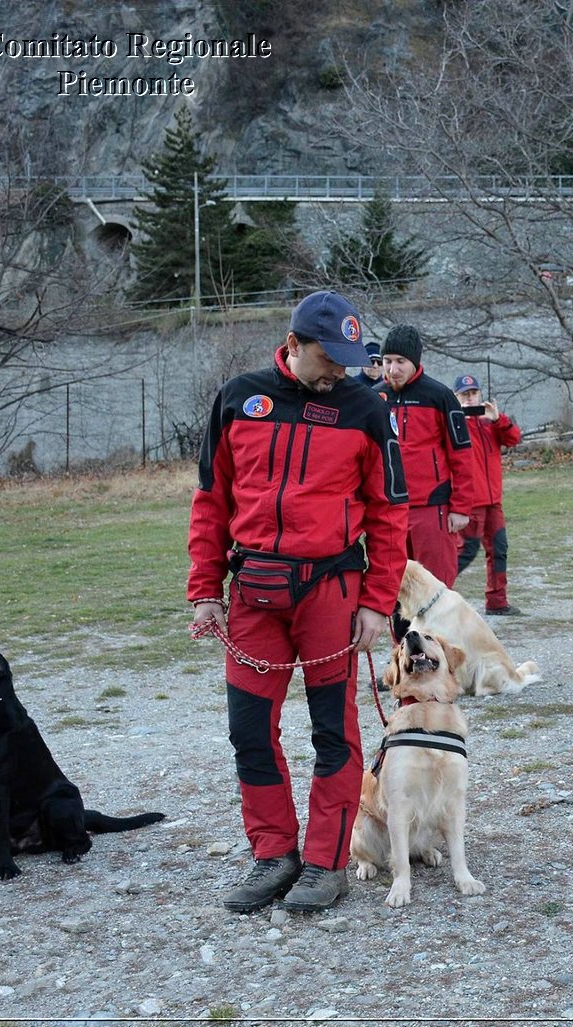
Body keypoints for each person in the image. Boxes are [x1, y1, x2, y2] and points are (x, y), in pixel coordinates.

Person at [187, 290, 410, 914]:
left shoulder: (367, 409)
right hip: (254, 590)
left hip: (330, 592)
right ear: (292, 345)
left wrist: (376, 602)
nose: (341, 369)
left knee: (333, 732)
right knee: (249, 730)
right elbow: (211, 500)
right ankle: (274, 854)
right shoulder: (238, 399)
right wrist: (205, 589)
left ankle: (324, 861)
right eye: (328, 356)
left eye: (348, 357)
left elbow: (391, 513)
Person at [376, 325, 478, 587]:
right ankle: (402, 631)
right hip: (388, 508)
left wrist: (461, 508)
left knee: (435, 585)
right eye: (387, 361)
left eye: (400, 362)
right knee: (394, 585)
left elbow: (462, 455)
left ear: (415, 361)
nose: (392, 369)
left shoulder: (439, 396)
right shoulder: (374, 397)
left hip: (432, 506)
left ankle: (437, 631)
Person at [451, 374, 523, 615]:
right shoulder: (454, 423)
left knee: (499, 549)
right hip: (470, 502)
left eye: (473, 394)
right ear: (456, 397)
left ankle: (497, 602)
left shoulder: (489, 422)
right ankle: (431, 594)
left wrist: (497, 419)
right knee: (465, 553)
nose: (470, 399)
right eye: (465, 395)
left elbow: (514, 439)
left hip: (494, 502)